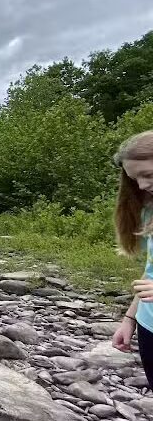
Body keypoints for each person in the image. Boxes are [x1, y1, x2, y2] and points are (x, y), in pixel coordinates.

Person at [112, 130, 153, 388]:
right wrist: (130, 319)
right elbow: (150, 274)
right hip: (149, 325)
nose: (141, 185)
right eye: (135, 179)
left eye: (147, 175)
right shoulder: (150, 211)